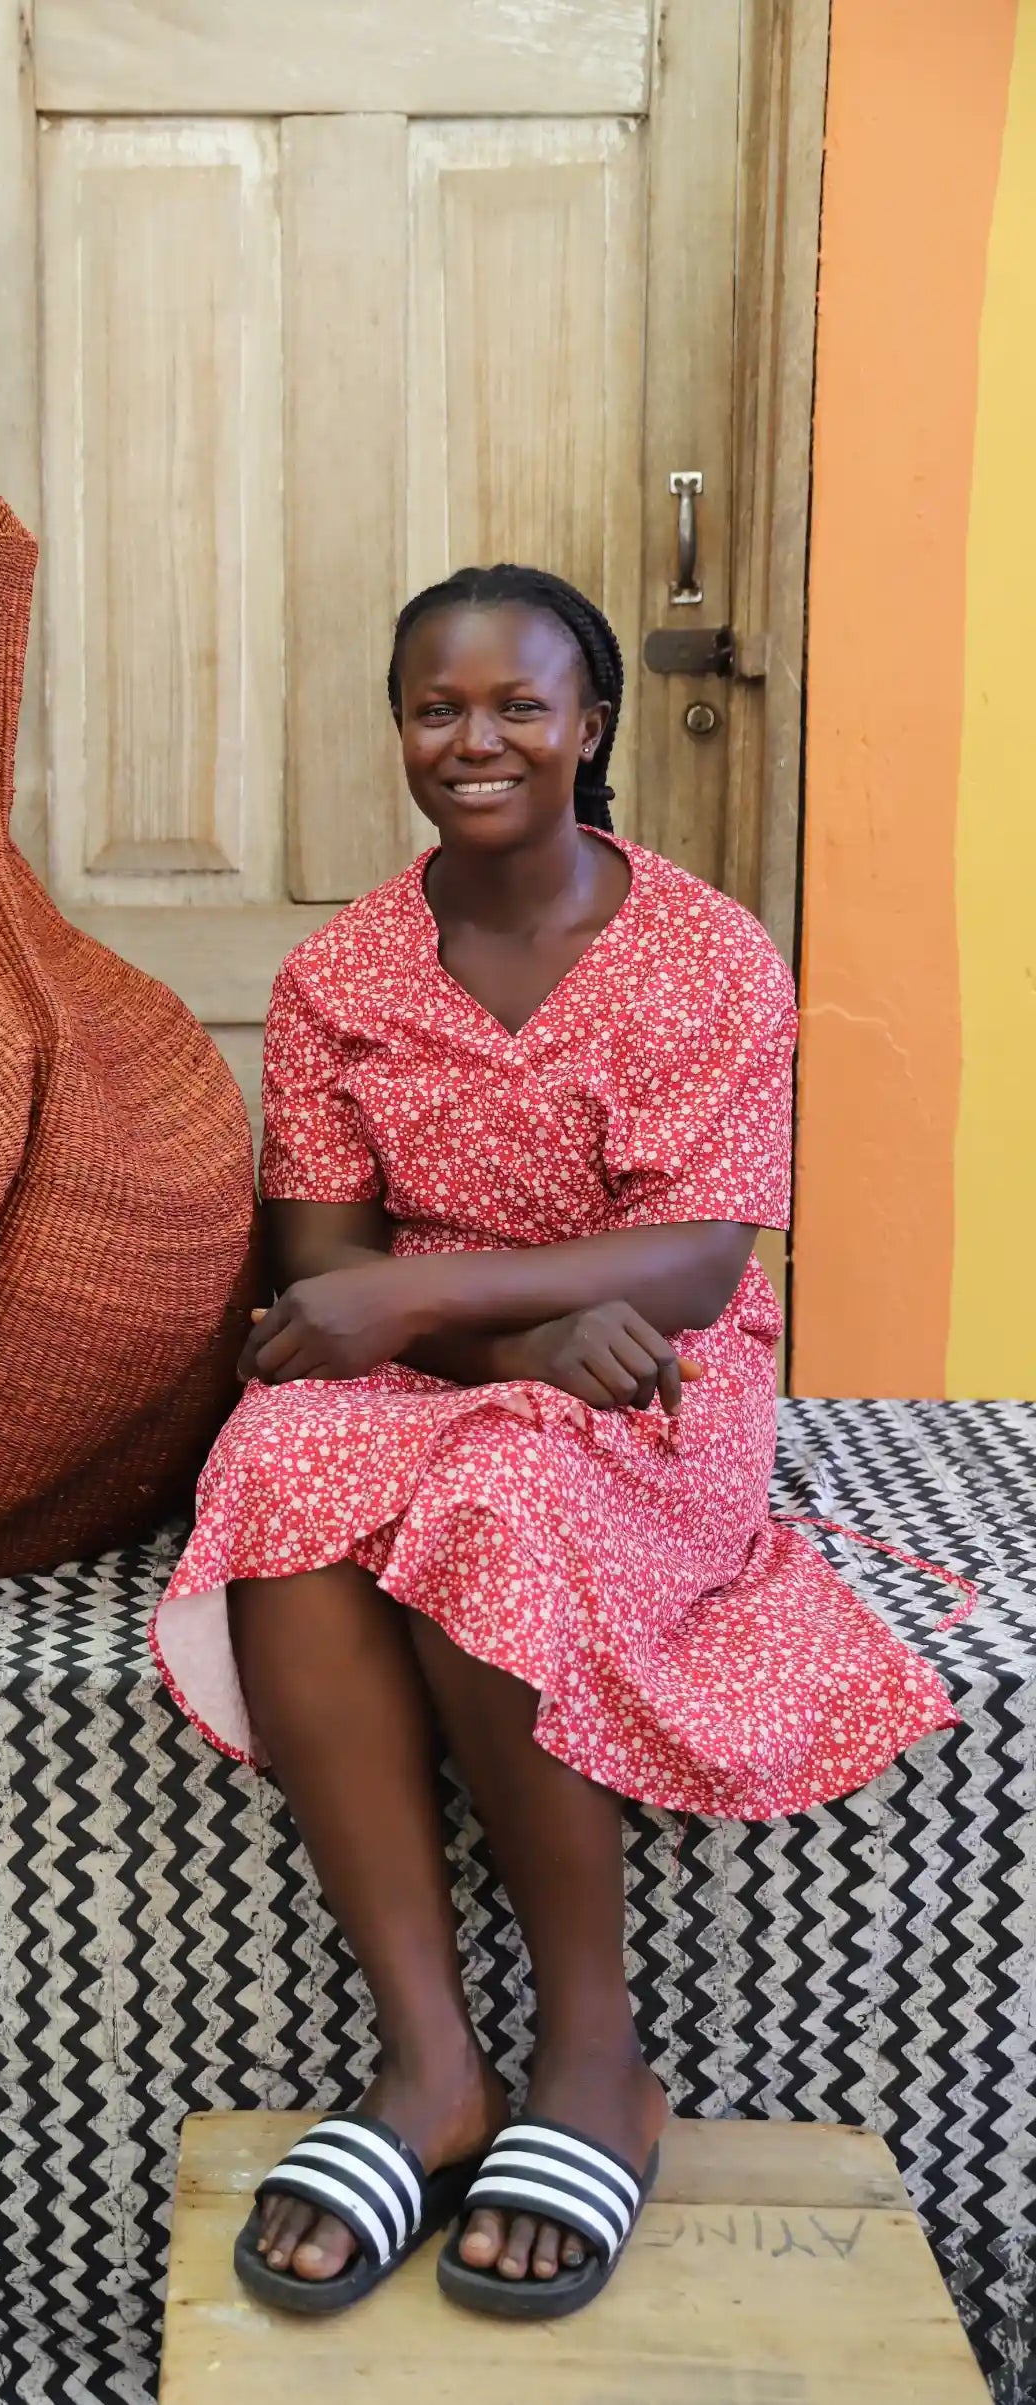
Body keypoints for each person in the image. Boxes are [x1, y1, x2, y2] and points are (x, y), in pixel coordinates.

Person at [149, 564, 957, 2321]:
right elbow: (325, 1272)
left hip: (650, 1372)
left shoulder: (704, 954)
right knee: (278, 1464)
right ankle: (433, 2066)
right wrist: (502, 1332)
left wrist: (442, 1307)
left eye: (520, 705)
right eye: (437, 708)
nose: (478, 739)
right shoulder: (342, 973)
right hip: (465, 1352)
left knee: (502, 1497)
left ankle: (595, 2055)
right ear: (399, 731)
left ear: (590, 725)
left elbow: (699, 1260)